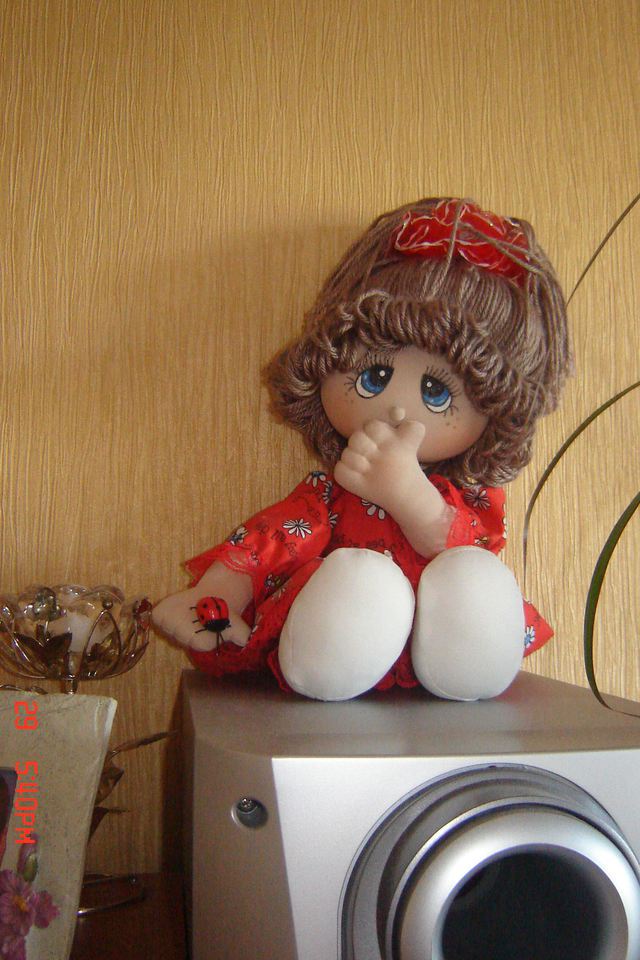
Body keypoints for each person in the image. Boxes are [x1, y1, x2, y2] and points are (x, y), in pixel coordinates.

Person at [153, 198, 571, 701]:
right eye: (374, 377)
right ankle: (332, 658)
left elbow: (463, 544)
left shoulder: (469, 499)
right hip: (337, 633)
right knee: (363, 580)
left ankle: (469, 665)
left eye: (436, 392)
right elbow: (273, 540)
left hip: (438, 638)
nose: (397, 408)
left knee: (473, 572)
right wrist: (216, 594)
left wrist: (408, 494)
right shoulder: (331, 493)